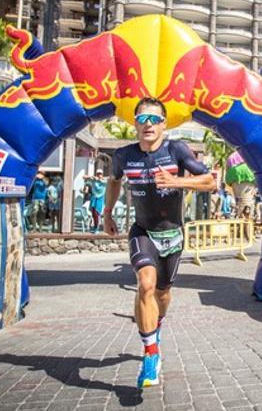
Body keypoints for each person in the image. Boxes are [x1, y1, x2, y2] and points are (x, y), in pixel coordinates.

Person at [103, 98, 215, 389]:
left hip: (173, 235)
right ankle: (150, 354)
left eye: (154, 119)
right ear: (135, 124)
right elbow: (114, 182)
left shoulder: (176, 150)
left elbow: (210, 182)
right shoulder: (123, 155)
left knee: (163, 294)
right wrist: (107, 213)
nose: (148, 124)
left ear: (164, 124)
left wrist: (177, 182)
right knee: (146, 285)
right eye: (142, 119)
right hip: (143, 231)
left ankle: (155, 328)